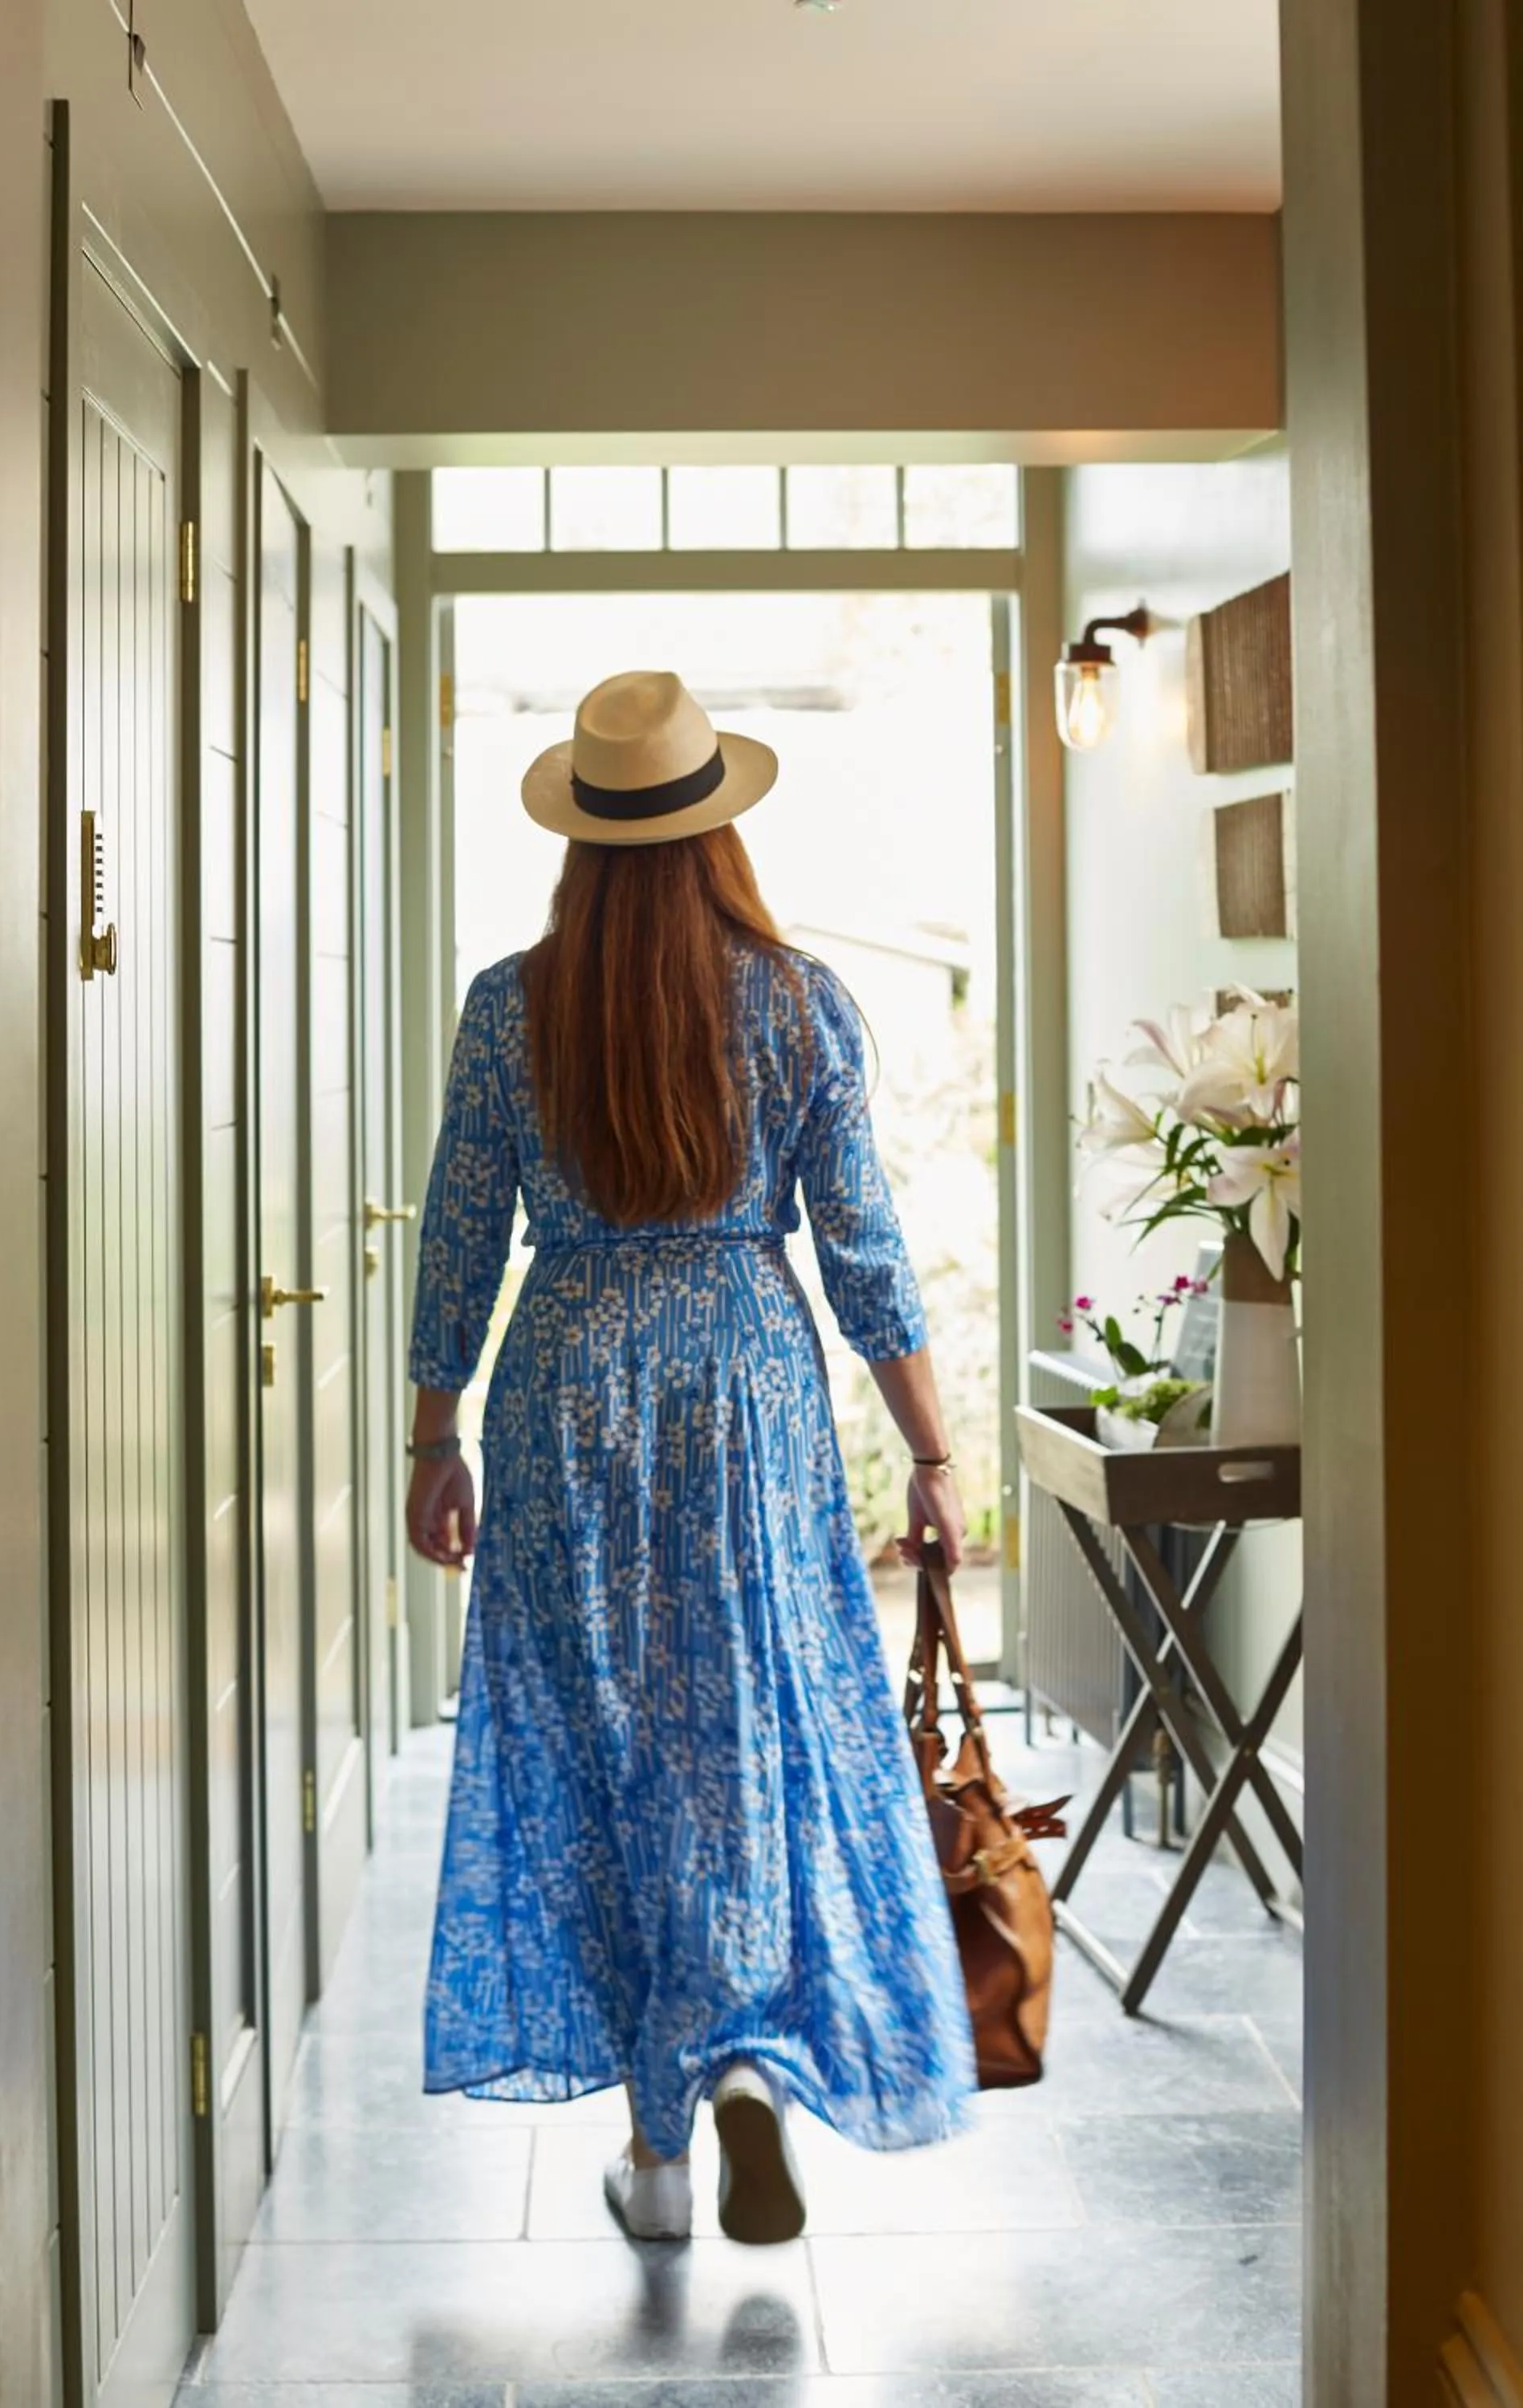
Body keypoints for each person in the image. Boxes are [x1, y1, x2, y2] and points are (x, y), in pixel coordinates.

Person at [405, 669, 976, 2247]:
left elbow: (461, 1237)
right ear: (717, 829)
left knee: (602, 1751)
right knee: (743, 1733)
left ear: (582, 841)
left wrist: (429, 1430)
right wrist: (932, 1455)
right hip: (743, 1384)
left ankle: (659, 2152)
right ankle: (742, 2070)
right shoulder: (798, 1003)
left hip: (568, 1380)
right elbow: (864, 1252)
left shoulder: (511, 1007)